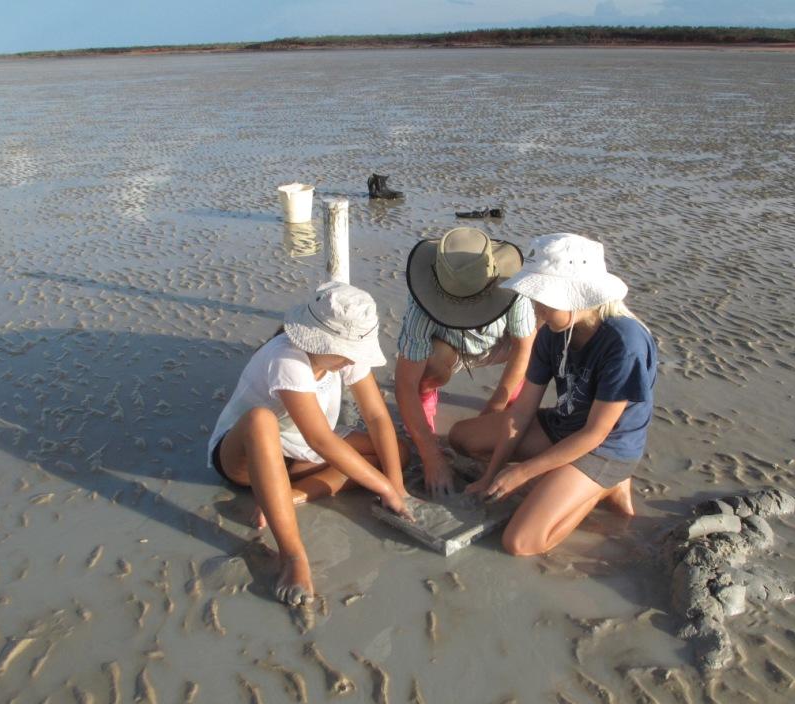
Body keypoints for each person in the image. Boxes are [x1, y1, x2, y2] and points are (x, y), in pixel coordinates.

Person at [451, 233, 657, 556]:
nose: (536, 308)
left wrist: (522, 473)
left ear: (576, 297)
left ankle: (602, 488)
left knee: (520, 542)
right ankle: (561, 482)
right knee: (461, 437)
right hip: (564, 425)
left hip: (607, 447)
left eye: (542, 300)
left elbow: (595, 433)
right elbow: (521, 413)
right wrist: (491, 475)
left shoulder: (624, 343)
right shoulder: (552, 333)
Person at [208, 282, 411, 606]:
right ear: (318, 339)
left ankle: (289, 495)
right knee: (262, 419)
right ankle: (293, 557)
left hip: (300, 454)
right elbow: (321, 440)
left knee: (397, 454)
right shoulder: (287, 358)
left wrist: (396, 484)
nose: (351, 360)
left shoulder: (346, 356)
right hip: (244, 456)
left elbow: (375, 417)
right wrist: (383, 489)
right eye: (345, 352)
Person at [395, 227, 537, 497]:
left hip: (500, 343)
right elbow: (404, 382)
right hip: (450, 348)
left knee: (543, 338)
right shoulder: (420, 303)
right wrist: (431, 455)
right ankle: (425, 410)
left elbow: (523, 348)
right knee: (427, 367)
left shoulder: (512, 288)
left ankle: (516, 412)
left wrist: (496, 404)